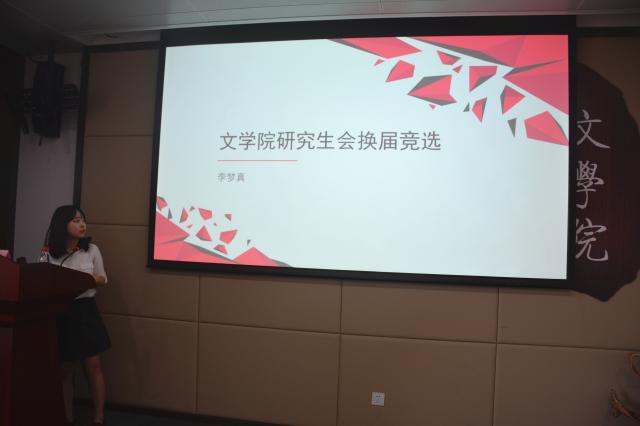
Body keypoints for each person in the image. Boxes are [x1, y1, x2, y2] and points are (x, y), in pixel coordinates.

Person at [41, 205, 111, 426]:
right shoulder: (48, 252)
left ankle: (99, 417)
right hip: (62, 311)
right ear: (62, 225)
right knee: (65, 368)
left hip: (85, 310)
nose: (82, 225)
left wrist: (80, 281)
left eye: (83, 220)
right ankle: (67, 417)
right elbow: (41, 281)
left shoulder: (91, 249)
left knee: (93, 365)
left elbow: (102, 278)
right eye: (76, 221)